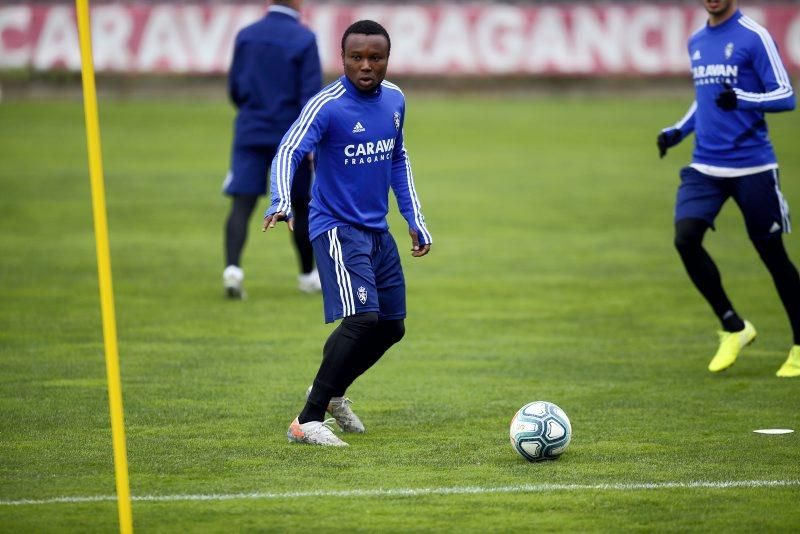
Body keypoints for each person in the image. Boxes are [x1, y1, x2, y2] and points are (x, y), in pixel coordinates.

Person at [262, 20, 432, 446]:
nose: (366, 65)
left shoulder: (395, 99)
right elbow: (289, 149)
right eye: (356, 57)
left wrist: (414, 217)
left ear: (387, 60)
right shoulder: (327, 105)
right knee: (361, 318)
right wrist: (281, 201)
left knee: (392, 326)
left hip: (378, 230)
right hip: (336, 226)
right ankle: (307, 418)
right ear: (342, 59)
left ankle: (335, 393)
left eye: (376, 57)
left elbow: (398, 159)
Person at [658, 0, 799, 377]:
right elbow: (703, 101)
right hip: (705, 164)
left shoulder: (755, 36)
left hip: (752, 165)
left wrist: (743, 99)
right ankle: (734, 327)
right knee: (685, 238)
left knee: (772, 256)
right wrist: (677, 131)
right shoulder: (698, 41)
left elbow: (786, 95)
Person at [221, 0, 322, 299]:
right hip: (291, 136)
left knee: (241, 204)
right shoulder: (304, 38)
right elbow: (310, 96)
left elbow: (235, 88)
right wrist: (311, 141)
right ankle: (306, 276)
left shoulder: (247, 34)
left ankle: (233, 271)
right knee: (301, 205)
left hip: (250, 130)